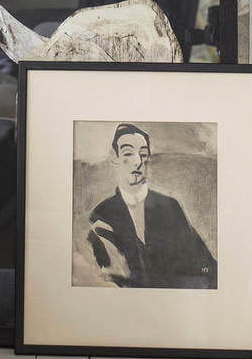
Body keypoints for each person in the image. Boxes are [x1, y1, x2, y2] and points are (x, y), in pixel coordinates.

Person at [85, 122, 217, 289]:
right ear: (114, 157)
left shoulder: (170, 207)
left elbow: (206, 265)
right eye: (128, 153)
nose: (137, 161)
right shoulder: (102, 215)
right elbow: (108, 277)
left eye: (143, 154)